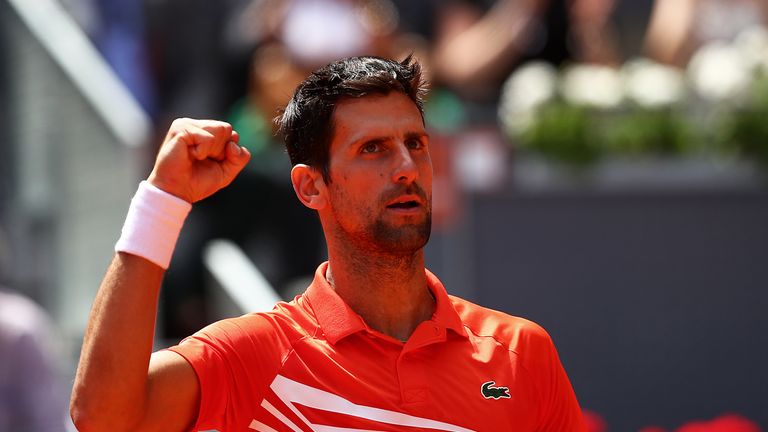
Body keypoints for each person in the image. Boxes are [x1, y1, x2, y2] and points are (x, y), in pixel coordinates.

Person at [70, 56, 586, 431]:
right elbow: (104, 417)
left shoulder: (522, 352)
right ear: (310, 187)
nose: (407, 168)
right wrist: (161, 201)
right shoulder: (257, 353)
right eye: (374, 149)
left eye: (415, 143)